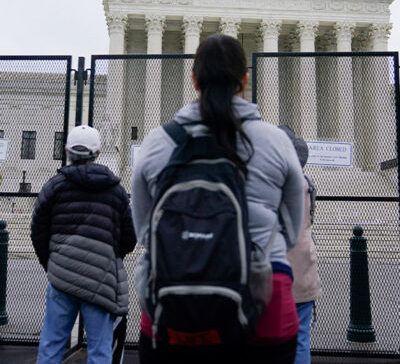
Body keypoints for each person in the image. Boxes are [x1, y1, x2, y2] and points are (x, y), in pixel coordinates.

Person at [131, 34, 305, 364]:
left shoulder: (157, 143)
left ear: (194, 79)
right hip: (264, 291)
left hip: (173, 293)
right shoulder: (276, 142)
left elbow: (143, 229)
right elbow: (291, 229)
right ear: (245, 80)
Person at [31, 125, 136, 364]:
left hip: (61, 278)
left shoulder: (54, 187)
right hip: (100, 279)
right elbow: (129, 238)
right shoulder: (116, 191)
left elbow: (38, 230)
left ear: (68, 151)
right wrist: (107, 257)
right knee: (100, 350)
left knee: (51, 345)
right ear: (98, 153)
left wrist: (52, 263)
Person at [279, 125, 322, 364]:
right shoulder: (308, 184)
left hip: (276, 273)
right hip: (304, 270)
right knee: (300, 339)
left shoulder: (270, 186)